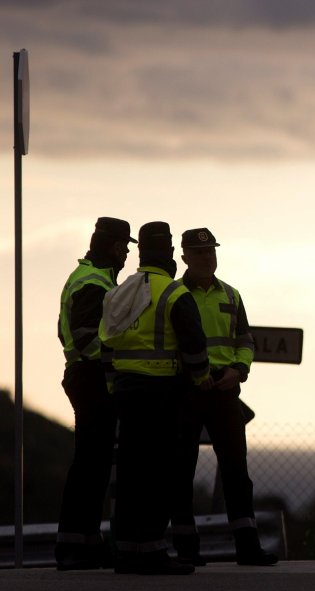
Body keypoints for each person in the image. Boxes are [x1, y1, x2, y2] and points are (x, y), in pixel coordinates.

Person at [99, 221, 212, 576]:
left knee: (131, 475)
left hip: (127, 394)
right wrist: (201, 378)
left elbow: (106, 344)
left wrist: (114, 385)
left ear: (142, 252)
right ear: (169, 254)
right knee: (159, 475)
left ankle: (127, 552)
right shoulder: (175, 293)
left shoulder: (122, 291)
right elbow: (194, 346)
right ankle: (151, 552)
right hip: (163, 394)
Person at [169, 227, 277, 567]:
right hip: (187, 389)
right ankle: (187, 549)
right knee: (181, 469)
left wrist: (239, 371)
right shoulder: (173, 295)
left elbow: (244, 340)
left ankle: (247, 547)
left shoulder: (231, 295)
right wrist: (193, 375)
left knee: (236, 469)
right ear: (184, 256)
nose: (206, 258)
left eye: (211, 252)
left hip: (225, 389)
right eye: (199, 253)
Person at [54, 217, 135, 570]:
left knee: (95, 465)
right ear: (115, 247)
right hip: (92, 377)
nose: (129, 252)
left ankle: (86, 543)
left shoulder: (90, 277)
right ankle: (74, 547)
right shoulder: (94, 282)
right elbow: (88, 337)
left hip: (86, 375)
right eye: (125, 245)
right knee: (90, 466)